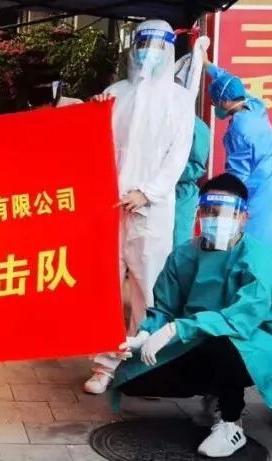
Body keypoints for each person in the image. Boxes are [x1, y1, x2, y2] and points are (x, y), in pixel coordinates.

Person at [110, 173, 272, 458]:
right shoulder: (184, 254)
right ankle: (215, 392)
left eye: (226, 212)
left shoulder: (257, 258)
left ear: (243, 217)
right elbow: (165, 307)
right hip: (198, 336)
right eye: (210, 211)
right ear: (200, 213)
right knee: (135, 378)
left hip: (251, 341)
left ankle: (231, 422)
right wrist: (144, 334)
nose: (217, 219)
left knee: (224, 343)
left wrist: (174, 330)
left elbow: (240, 320)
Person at [83, 20, 194, 394]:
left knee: (148, 288)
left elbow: (176, 156)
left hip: (151, 209)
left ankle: (143, 365)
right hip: (109, 204)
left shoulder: (179, 100)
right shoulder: (115, 93)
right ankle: (105, 365)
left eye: (157, 46)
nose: (149, 52)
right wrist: (93, 112)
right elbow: (94, 143)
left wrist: (147, 192)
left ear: (169, 51)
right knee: (106, 287)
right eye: (143, 44)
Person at [205, 53, 272, 249]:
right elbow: (230, 83)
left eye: (215, 102)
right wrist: (208, 65)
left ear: (225, 101)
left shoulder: (239, 130)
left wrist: (218, 199)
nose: (215, 106)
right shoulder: (255, 106)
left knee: (248, 253)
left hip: (255, 201)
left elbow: (237, 177)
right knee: (264, 252)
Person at [173, 117, 211, 246]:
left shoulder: (197, 126)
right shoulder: (159, 118)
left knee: (178, 243)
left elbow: (196, 167)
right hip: (151, 192)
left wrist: (165, 174)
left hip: (181, 194)